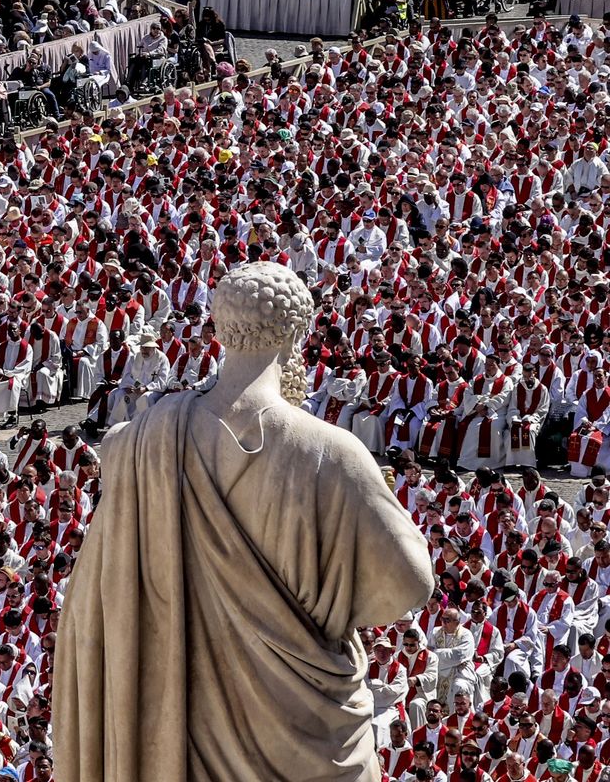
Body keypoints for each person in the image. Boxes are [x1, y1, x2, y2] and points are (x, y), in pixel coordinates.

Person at [57, 263, 433, 782]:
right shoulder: (331, 453)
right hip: (307, 727)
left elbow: (94, 605)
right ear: (296, 335)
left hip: (184, 726)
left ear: (219, 331)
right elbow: (411, 582)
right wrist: (326, 605)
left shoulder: (143, 442)